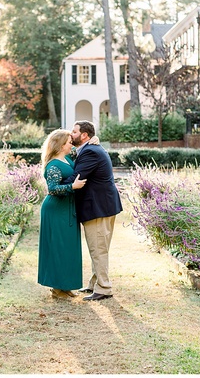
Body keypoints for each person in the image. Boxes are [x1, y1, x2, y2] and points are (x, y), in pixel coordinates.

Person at [65, 120, 123, 301]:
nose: (71, 134)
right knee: (97, 247)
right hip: (103, 206)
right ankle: (94, 283)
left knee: (98, 249)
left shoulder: (90, 151)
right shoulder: (90, 148)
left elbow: (77, 177)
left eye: (74, 132)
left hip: (98, 208)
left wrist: (55, 185)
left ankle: (104, 288)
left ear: (84, 135)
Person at [37, 129, 87, 299]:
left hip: (68, 208)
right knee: (58, 247)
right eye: (68, 142)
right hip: (56, 210)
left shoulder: (67, 158)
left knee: (68, 247)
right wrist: (72, 187)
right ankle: (56, 289)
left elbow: (81, 148)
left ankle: (65, 286)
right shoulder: (53, 165)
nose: (71, 144)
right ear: (60, 145)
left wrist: (94, 139)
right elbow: (52, 189)